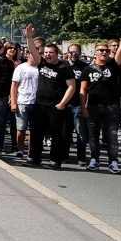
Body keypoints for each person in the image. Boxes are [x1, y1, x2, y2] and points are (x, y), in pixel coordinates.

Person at [82, 22, 121, 174]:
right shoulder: (87, 69)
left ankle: (113, 162)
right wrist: (83, 106)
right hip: (93, 106)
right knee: (93, 135)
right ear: (95, 52)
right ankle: (94, 160)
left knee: (112, 135)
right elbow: (83, 89)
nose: (104, 52)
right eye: (101, 50)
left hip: (111, 106)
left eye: (106, 51)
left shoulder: (114, 66)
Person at [25, 24, 75, 169]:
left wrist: (62, 103)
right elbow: (33, 51)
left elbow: (72, 87)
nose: (47, 55)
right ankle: (34, 158)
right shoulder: (41, 64)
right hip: (39, 105)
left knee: (56, 134)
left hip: (56, 106)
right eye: (45, 52)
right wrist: (29, 37)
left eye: (50, 52)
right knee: (36, 132)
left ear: (56, 53)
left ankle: (55, 160)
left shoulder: (64, 67)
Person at [9, 46, 38, 161]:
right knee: (21, 128)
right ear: (27, 54)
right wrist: (14, 102)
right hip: (22, 102)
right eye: (31, 53)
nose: (33, 55)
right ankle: (20, 151)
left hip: (36, 103)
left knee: (33, 129)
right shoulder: (20, 68)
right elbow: (14, 86)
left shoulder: (40, 68)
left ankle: (31, 153)